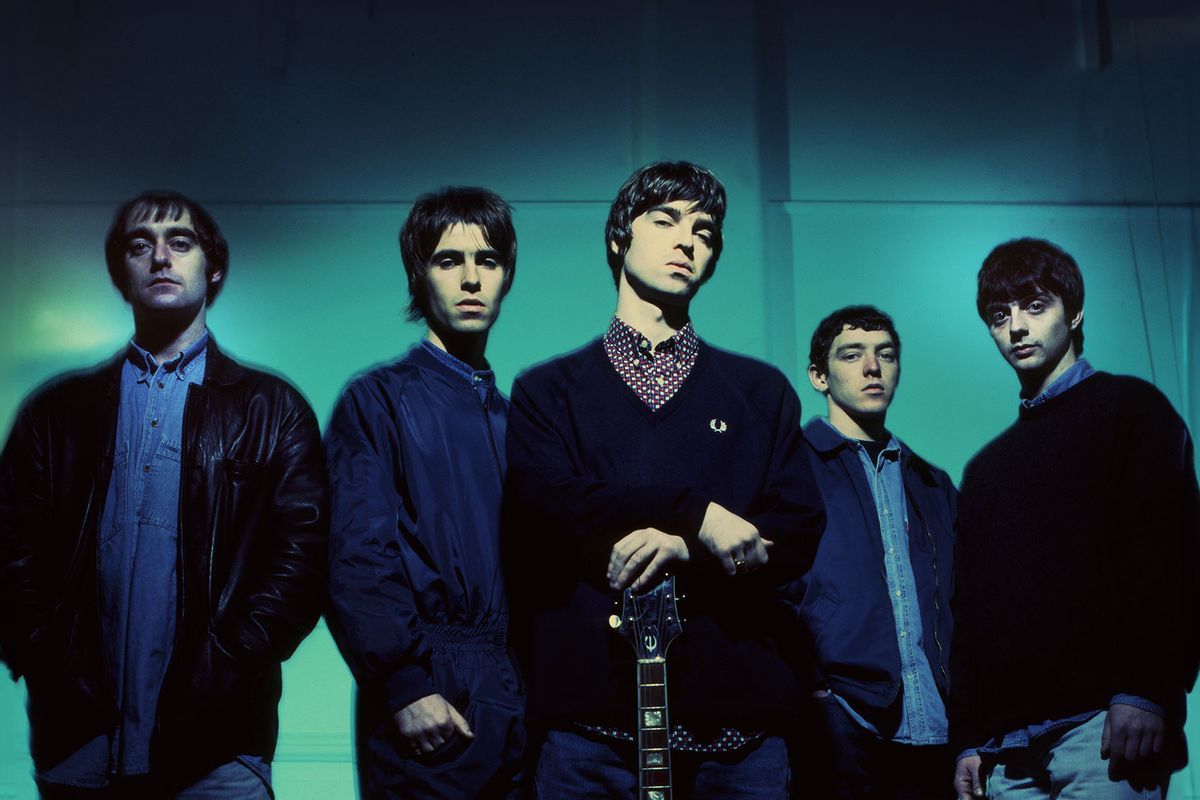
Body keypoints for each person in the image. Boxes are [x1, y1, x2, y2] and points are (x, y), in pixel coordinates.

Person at [504, 161, 825, 799]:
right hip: (590, 730)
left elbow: (797, 530)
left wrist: (682, 545)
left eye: (705, 232)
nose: (688, 241)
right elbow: (550, 506)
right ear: (619, 238)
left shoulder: (760, 392)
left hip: (740, 732)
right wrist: (697, 517)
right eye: (666, 221)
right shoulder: (547, 391)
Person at [0, 190, 329, 798]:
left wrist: (229, 664)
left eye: (181, 243)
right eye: (139, 245)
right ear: (120, 274)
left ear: (215, 269)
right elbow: (11, 550)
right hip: (80, 741)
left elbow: (300, 562)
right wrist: (46, 657)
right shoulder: (55, 414)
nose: (160, 258)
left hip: (221, 752)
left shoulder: (272, 411)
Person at [950, 237, 1199, 799]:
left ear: (1075, 310)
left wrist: (1144, 689)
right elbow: (969, 608)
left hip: (1104, 732)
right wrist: (967, 738)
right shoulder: (985, 468)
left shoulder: (1131, 410)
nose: (1016, 326)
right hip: (1008, 750)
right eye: (999, 314)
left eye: (1035, 306)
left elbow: (1168, 558)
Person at [325, 186, 525, 799]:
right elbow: (356, 556)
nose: (471, 279)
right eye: (448, 261)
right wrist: (404, 684)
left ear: (506, 276)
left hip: (515, 687)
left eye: (487, 262)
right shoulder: (377, 401)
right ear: (419, 273)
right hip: (430, 685)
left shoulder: (516, 420)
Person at [793, 305, 956, 798]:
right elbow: (766, 586)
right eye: (852, 354)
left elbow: (964, 597)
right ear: (819, 376)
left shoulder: (933, 483)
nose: (872, 367)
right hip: (841, 716)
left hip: (936, 722)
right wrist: (812, 689)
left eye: (886, 354)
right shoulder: (790, 468)